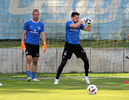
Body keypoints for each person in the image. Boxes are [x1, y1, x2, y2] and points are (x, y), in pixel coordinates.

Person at [54, 12, 94, 84]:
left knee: (86, 60)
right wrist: (82, 20)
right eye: (76, 18)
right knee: (63, 63)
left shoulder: (79, 24)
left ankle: (86, 77)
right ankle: (56, 79)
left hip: (77, 46)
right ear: (72, 18)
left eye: (78, 18)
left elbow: (88, 29)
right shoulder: (68, 23)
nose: (77, 19)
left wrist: (89, 24)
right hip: (69, 45)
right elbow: (75, 26)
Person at [21, 9, 47, 82]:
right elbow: (23, 33)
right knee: (29, 59)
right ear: (32, 15)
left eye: (37, 14)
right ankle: (28, 76)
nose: (36, 16)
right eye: (35, 14)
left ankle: (34, 77)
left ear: (39, 15)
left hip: (36, 45)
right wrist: (22, 43)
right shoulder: (28, 23)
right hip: (29, 44)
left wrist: (44, 43)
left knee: (35, 61)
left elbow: (42, 34)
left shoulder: (41, 24)